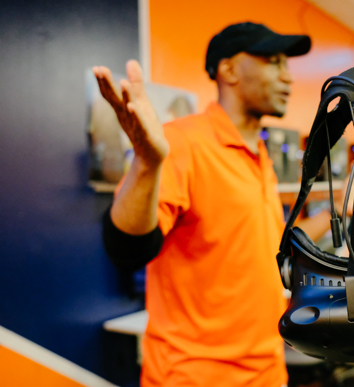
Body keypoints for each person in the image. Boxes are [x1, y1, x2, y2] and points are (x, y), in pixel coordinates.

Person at [94, 22, 336, 387]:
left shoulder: (258, 155)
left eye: (287, 65)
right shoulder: (182, 143)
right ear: (229, 70)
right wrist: (146, 165)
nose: (287, 77)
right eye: (273, 61)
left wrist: (342, 210)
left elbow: (265, 247)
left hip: (267, 371)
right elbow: (127, 248)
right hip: (195, 377)